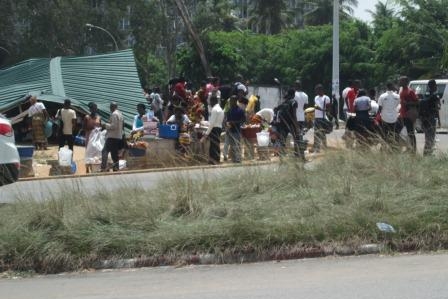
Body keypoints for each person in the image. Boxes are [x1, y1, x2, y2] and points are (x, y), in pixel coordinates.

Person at [272, 88, 300, 158]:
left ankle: (282, 155)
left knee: (282, 139)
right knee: (296, 137)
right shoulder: (293, 102)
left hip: (281, 123)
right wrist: (296, 126)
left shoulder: (284, 102)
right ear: (293, 94)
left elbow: (275, 109)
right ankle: (297, 154)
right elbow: (294, 115)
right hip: (290, 123)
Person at [201, 94, 224, 164]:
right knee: (216, 144)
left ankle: (212, 160)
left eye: (210, 101)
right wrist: (204, 122)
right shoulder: (220, 109)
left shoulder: (214, 109)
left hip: (214, 129)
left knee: (213, 146)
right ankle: (217, 159)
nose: (209, 103)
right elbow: (213, 122)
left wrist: (206, 134)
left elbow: (212, 124)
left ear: (213, 101)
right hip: (219, 128)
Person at [419, 79, 441, 155]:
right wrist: (439, 120)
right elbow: (437, 108)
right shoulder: (435, 96)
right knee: (430, 137)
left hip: (424, 119)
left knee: (428, 136)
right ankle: (428, 153)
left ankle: (427, 153)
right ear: (434, 86)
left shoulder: (425, 95)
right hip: (431, 118)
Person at [101, 102, 124, 172]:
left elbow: (114, 126)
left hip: (112, 136)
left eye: (110, 107)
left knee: (104, 151)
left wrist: (105, 125)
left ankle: (103, 167)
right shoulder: (120, 114)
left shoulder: (114, 114)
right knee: (114, 153)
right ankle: (116, 168)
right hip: (118, 136)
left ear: (112, 107)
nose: (110, 108)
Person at [399, 76, 419, 153]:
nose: (399, 82)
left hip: (408, 115)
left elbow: (417, 102)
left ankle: (413, 150)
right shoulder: (402, 91)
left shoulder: (410, 91)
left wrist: (407, 103)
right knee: (398, 132)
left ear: (405, 82)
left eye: (401, 81)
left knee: (410, 133)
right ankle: (406, 147)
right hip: (402, 115)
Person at [378, 82, 400, 149]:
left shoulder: (382, 96)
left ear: (386, 87)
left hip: (384, 118)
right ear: (392, 86)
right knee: (393, 134)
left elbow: (380, 108)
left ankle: (383, 147)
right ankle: (393, 147)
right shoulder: (397, 96)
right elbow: (397, 105)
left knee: (384, 134)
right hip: (394, 118)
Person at [225, 96, 246, 163]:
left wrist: (234, 122)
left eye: (232, 101)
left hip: (237, 131)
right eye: (230, 101)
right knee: (232, 146)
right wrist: (227, 129)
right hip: (230, 130)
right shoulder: (229, 111)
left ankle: (238, 159)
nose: (231, 102)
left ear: (235, 101)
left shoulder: (240, 110)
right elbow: (227, 121)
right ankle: (233, 159)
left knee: (237, 145)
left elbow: (243, 120)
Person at [83, 102, 102, 173]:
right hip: (89, 137)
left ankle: (95, 167)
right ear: (90, 109)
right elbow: (84, 128)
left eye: (95, 108)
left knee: (97, 152)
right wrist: (91, 130)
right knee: (88, 153)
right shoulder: (87, 117)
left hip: (97, 139)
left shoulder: (99, 117)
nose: (94, 109)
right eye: (93, 108)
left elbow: (101, 127)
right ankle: (87, 167)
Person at [313, 84, 331, 153]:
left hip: (323, 118)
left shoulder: (326, 98)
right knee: (316, 133)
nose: (316, 91)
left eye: (317, 90)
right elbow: (315, 106)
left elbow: (328, 109)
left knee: (322, 133)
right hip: (316, 117)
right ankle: (317, 148)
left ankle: (325, 147)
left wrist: (320, 109)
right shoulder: (316, 97)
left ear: (321, 90)